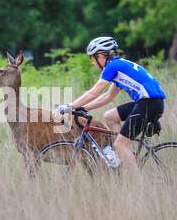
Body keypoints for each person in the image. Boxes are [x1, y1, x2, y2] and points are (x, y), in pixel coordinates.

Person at [53, 37, 166, 176]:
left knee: (120, 144)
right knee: (110, 116)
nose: (93, 63)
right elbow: (108, 96)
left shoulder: (112, 66)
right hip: (151, 102)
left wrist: (69, 106)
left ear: (101, 57)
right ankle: (126, 157)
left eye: (93, 59)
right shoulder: (119, 67)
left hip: (149, 103)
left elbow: (94, 92)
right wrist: (84, 108)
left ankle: (138, 186)